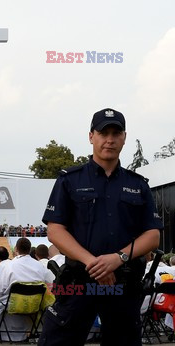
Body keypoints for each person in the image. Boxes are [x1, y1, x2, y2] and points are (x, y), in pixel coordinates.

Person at [38, 108, 163, 346]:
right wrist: (93, 263)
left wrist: (118, 258)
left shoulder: (138, 185)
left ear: (124, 138)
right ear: (91, 136)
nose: (110, 139)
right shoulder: (69, 180)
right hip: (79, 282)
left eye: (116, 133)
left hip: (123, 285)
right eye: (103, 132)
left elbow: (153, 235)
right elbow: (55, 231)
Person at [0, 238, 52, 342]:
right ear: (29, 249)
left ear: (16, 249)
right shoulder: (39, 265)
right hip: (34, 304)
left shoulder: (10, 265)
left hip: (13, 304)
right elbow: (50, 282)